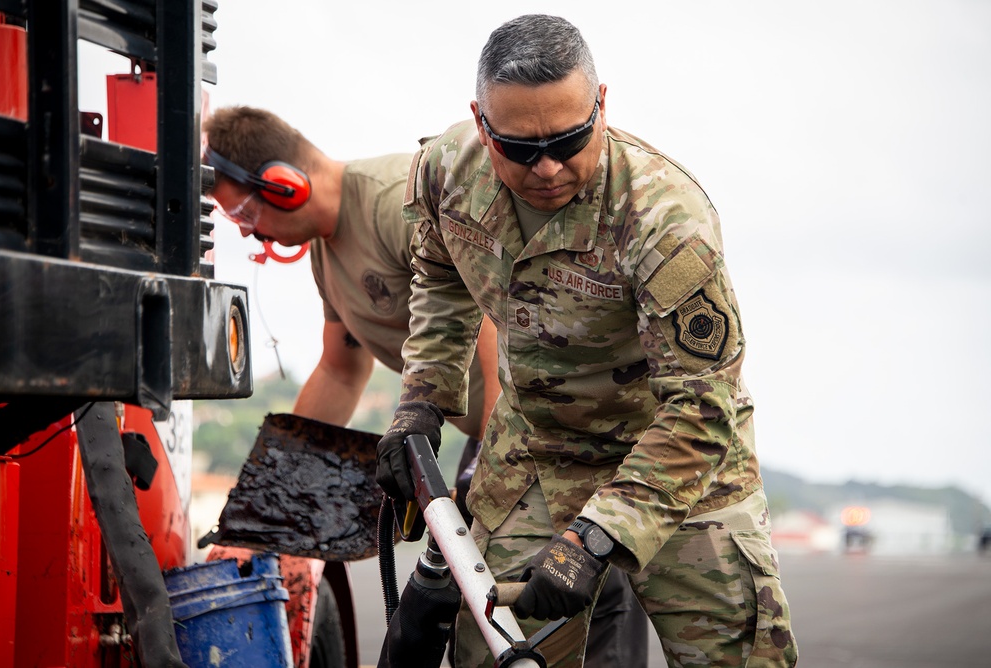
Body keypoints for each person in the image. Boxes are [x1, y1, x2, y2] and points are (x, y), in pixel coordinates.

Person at [374, 14, 799, 668]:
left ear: (602, 105)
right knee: (491, 650)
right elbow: (438, 272)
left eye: (570, 139)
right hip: (537, 450)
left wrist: (602, 535)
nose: (546, 167)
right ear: (480, 123)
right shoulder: (445, 173)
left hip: (678, 465)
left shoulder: (664, 220)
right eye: (518, 148)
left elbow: (703, 405)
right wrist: (424, 398)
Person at [202, 105, 651, 668]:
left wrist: (487, 455)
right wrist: (269, 514)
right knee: (490, 618)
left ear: (285, 186)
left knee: (581, 602)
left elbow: (489, 312)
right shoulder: (327, 254)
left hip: (564, 428)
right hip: (503, 438)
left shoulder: (395, 202)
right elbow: (340, 371)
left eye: (241, 210)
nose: (245, 229)